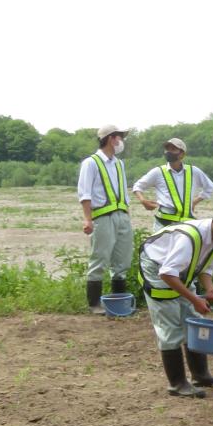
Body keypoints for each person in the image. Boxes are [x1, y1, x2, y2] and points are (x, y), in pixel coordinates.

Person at [139, 204, 213, 397]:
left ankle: (200, 375)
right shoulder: (188, 238)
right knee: (170, 324)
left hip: (176, 270)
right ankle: (177, 383)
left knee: (191, 318)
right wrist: (195, 299)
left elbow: (206, 269)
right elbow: (167, 274)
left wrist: (209, 288)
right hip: (156, 268)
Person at [77, 123, 133, 315]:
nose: (122, 141)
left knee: (122, 261)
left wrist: (127, 215)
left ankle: (119, 303)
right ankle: (94, 305)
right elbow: (84, 194)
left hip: (121, 217)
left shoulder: (119, 163)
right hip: (102, 217)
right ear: (111, 138)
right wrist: (88, 220)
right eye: (120, 137)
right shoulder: (90, 163)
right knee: (99, 259)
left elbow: (123, 191)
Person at [132, 137, 213, 231]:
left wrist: (194, 202)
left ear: (182, 154)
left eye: (173, 149)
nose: (169, 152)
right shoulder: (158, 172)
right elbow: (137, 186)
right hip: (163, 225)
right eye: (167, 149)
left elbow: (210, 188)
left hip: (186, 225)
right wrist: (143, 200)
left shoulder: (194, 171)